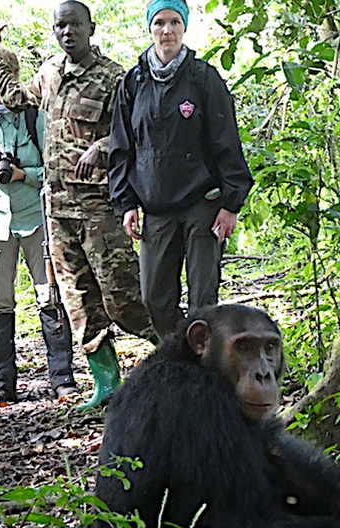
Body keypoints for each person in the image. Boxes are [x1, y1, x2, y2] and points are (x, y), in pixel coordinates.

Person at [0, 1, 156, 411]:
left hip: (100, 210)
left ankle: (187, 360)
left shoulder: (116, 78)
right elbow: (15, 97)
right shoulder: (49, 74)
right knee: (80, 303)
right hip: (57, 213)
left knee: (124, 298)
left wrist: (103, 146)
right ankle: (106, 385)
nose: (67, 32)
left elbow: (139, 134)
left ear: (90, 28)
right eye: (60, 26)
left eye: (75, 24)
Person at [109, 0, 254, 341]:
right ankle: (179, 361)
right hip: (156, 207)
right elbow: (121, 148)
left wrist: (231, 203)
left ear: (184, 26)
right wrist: (127, 203)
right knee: (155, 298)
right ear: (150, 28)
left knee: (204, 302)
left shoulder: (203, 78)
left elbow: (227, 142)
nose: (167, 30)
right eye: (160, 22)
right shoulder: (133, 82)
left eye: (175, 22)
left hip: (203, 203)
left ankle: (207, 376)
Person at [0, 45, 79, 404]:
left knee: (49, 297)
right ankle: (1, 384)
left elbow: (57, 170)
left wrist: (24, 174)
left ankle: (62, 379)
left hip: (35, 220)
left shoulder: (33, 118)